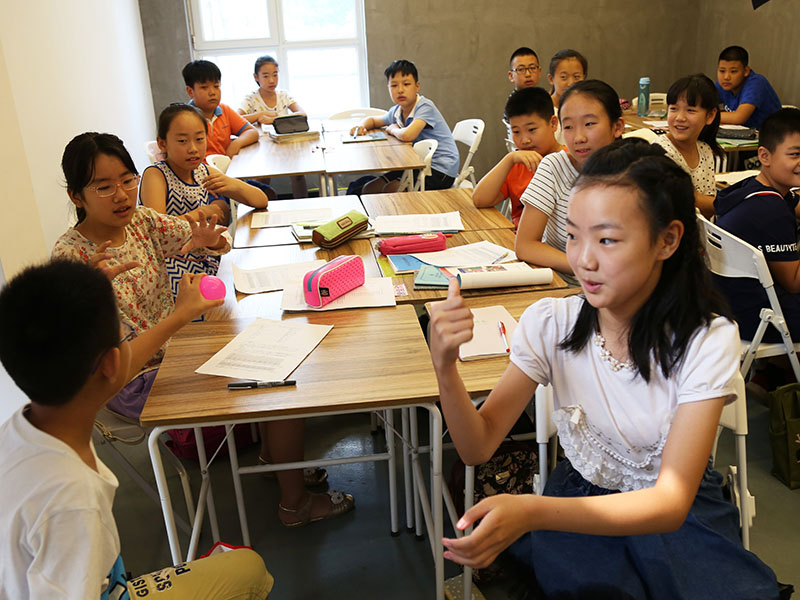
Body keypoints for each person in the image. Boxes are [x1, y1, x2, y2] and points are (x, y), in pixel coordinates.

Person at [428, 139, 780, 599]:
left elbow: (670, 502)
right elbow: (477, 445)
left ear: (668, 240)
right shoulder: (552, 323)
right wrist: (445, 367)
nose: (583, 259)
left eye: (607, 239)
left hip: (681, 516)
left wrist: (531, 512)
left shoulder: (705, 339)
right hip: (580, 499)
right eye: (573, 235)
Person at [0, 258, 273, 599]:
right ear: (111, 362)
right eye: (127, 335)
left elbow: (107, 373)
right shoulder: (74, 501)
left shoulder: (21, 430)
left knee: (243, 566)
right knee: (248, 571)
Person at [52, 132, 231, 420]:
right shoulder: (70, 257)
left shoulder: (143, 221)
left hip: (175, 354)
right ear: (76, 196)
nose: (122, 195)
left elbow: (219, 241)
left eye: (127, 180)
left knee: (254, 376)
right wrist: (93, 296)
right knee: (241, 395)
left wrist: (211, 241)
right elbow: (103, 367)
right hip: (131, 381)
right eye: (104, 187)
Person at [140, 103, 269, 295]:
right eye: (182, 141)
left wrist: (231, 183)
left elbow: (261, 201)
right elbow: (159, 230)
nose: (193, 148)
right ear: (163, 143)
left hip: (207, 267)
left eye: (199, 139)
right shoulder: (156, 175)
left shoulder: (202, 171)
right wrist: (205, 212)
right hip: (171, 275)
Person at [515, 80, 624, 285]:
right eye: (569, 126)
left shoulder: (633, 177)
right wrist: (586, 270)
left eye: (589, 124)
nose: (578, 137)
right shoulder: (555, 166)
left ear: (617, 126)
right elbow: (525, 245)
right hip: (563, 285)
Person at [714, 108, 800, 346]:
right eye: (795, 154)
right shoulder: (771, 211)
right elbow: (793, 282)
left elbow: (794, 204)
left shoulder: (753, 187)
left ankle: (774, 374)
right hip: (758, 317)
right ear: (764, 156)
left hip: (726, 303)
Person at [350, 59, 460, 193]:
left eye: (406, 84)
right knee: (370, 188)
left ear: (417, 86)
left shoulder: (425, 107)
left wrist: (393, 128)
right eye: (394, 85)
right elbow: (373, 120)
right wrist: (361, 126)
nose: (400, 90)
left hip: (440, 170)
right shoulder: (397, 110)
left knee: (391, 189)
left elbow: (408, 135)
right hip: (416, 164)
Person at [473, 87, 562, 229]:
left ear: (553, 123)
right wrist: (510, 158)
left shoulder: (569, 162)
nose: (524, 140)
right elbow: (479, 200)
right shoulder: (518, 163)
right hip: (516, 242)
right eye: (516, 131)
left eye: (532, 129)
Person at [653, 73, 723, 218]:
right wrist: (729, 204)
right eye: (673, 109)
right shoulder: (661, 152)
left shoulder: (704, 149)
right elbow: (691, 201)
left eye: (690, 110)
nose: (680, 118)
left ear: (710, 116)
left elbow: (708, 201)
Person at [238, 55, 309, 198]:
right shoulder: (251, 98)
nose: (271, 80)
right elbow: (237, 118)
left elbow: (302, 114)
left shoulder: (283, 95)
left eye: (275, 75)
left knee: (298, 174)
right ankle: (260, 207)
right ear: (256, 77)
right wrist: (260, 115)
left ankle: (303, 205)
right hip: (261, 146)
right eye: (265, 76)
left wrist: (276, 119)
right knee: (262, 176)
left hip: (285, 143)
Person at [183, 59, 259, 158]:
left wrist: (236, 144)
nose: (212, 92)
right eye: (204, 87)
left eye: (216, 86)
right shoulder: (184, 118)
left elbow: (252, 132)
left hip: (226, 166)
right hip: (200, 171)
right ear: (190, 91)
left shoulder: (224, 111)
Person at [716, 45, 781, 129]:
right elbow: (703, 105)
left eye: (733, 71)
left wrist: (707, 115)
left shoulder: (756, 82)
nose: (726, 77)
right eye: (722, 71)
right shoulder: (724, 84)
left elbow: (739, 117)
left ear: (746, 71)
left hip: (771, 135)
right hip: (744, 135)